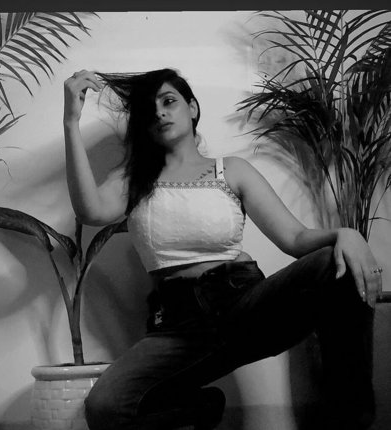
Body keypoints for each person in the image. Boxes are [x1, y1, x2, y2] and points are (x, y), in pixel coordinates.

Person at [63, 68, 382, 430]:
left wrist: (346, 234)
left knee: (335, 263)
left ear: (192, 108)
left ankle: (349, 419)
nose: (160, 112)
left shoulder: (230, 170)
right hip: (178, 324)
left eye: (169, 101)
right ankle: (200, 408)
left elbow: (294, 238)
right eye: (150, 109)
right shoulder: (133, 180)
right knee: (105, 407)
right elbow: (90, 211)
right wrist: (71, 122)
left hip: (244, 306)